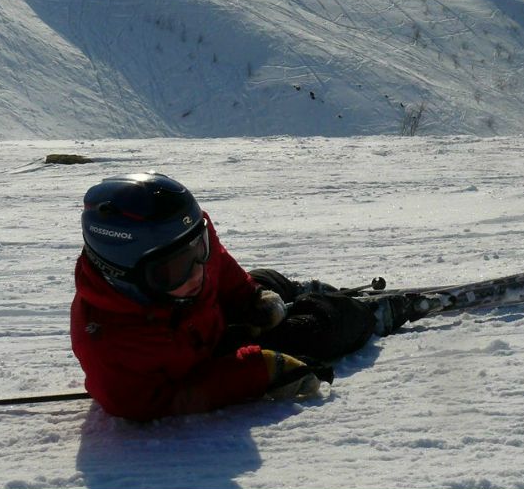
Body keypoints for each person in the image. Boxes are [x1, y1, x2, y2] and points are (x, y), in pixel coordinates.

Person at [70, 172, 420, 421]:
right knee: (313, 331)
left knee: (267, 280)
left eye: (199, 248)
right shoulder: (111, 350)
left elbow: (218, 264)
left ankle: (295, 292)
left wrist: (252, 296)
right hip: (208, 357)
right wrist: (260, 371)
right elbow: (161, 402)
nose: (197, 272)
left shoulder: (179, 252)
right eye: (175, 268)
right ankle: (370, 315)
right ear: (124, 275)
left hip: (205, 320)